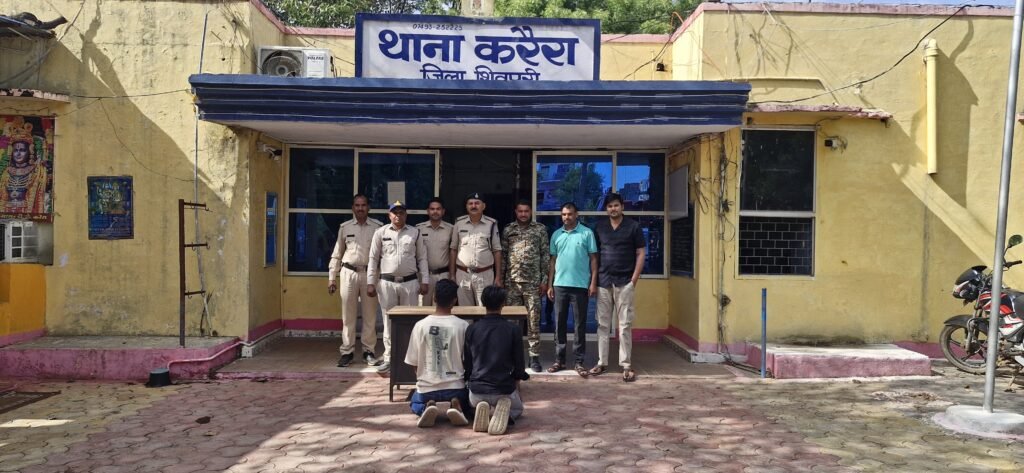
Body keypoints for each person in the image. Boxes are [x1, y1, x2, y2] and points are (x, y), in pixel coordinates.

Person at [368, 200, 429, 373]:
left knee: (410, 321)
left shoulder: (415, 232)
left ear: (406, 215)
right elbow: (373, 258)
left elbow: (422, 258)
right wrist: (370, 282)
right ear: (389, 215)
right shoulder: (380, 232)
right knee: (388, 322)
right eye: (395, 212)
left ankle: (409, 360)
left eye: (401, 212)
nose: (398, 215)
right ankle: (389, 358)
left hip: (410, 283)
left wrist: (424, 280)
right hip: (387, 283)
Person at [592, 193, 647, 382]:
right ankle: (602, 363)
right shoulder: (600, 227)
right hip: (604, 281)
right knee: (602, 325)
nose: (613, 209)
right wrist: (594, 280)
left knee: (624, 325)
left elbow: (641, 253)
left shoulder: (633, 226)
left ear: (622, 206)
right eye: (609, 206)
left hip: (625, 282)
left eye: (616, 205)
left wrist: (634, 280)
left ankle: (626, 365)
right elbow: (595, 256)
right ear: (606, 209)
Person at [405, 279, 471, 428]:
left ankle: (426, 407)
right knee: (468, 403)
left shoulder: (420, 325)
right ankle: (457, 405)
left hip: (427, 388)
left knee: (414, 403)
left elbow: (413, 362)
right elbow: (468, 361)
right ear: (455, 300)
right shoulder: (463, 325)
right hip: (456, 387)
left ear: (434, 298)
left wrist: (427, 379)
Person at [464, 286, 529, 435]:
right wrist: (517, 381)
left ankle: (480, 408)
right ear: (503, 303)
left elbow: (468, 363)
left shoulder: (472, 329)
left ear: (483, 302)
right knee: (518, 408)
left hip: (477, 390)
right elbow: (519, 363)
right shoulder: (513, 329)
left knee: (471, 405)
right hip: (504, 388)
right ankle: (507, 414)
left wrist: (469, 380)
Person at [328, 194, 383, 368]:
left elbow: (383, 254)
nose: (360, 208)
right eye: (357, 205)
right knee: (348, 315)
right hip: (348, 273)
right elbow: (337, 253)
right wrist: (332, 277)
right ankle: (347, 352)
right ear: (353, 208)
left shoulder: (378, 228)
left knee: (370, 315)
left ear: (368, 207)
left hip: (370, 274)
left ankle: (368, 351)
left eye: (363, 205)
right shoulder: (345, 227)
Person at [546, 202, 598, 377]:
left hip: (580, 285)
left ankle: (578, 362)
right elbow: (552, 261)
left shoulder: (587, 233)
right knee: (559, 324)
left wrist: (592, 282)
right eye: (563, 214)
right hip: (560, 285)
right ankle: (559, 360)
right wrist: (550, 284)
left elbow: (593, 259)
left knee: (579, 325)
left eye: (569, 214)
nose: (566, 217)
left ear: (577, 215)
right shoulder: (556, 235)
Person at [501, 200, 549, 373]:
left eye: (526, 211)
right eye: (520, 211)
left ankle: (534, 357)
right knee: (512, 323)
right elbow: (503, 256)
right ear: (516, 212)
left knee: (533, 320)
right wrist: (502, 280)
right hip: (512, 283)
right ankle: (513, 357)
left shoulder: (540, 229)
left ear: (531, 212)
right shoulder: (508, 230)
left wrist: (544, 280)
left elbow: (545, 255)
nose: (523, 214)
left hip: (533, 283)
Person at [450, 192, 503, 306]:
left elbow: (497, 251)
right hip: (463, 274)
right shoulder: (459, 223)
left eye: (477, 203)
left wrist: (498, 277)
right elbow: (453, 249)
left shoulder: (491, 224)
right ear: (466, 206)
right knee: (464, 311)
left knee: (484, 309)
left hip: (484, 275)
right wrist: (452, 275)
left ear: (483, 206)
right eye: (470, 203)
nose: (473, 206)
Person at [0, 120, 48, 215]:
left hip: (27, 213)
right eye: (15, 150)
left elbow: (39, 200)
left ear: (29, 151)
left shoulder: (36, 172)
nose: (18, 153)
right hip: (6, 213)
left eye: (22, 150)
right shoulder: (6, 172)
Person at [416, 197, 454, 306]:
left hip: (444, 275)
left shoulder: (451, 229)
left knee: (442, 306)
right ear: (428, 211)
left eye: (438, 209)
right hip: (425, 275)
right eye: (432, 209)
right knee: (424, 307)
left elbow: (453, 252)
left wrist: (452, 275)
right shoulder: (419, 229)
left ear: (443, 211)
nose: (435, 211)